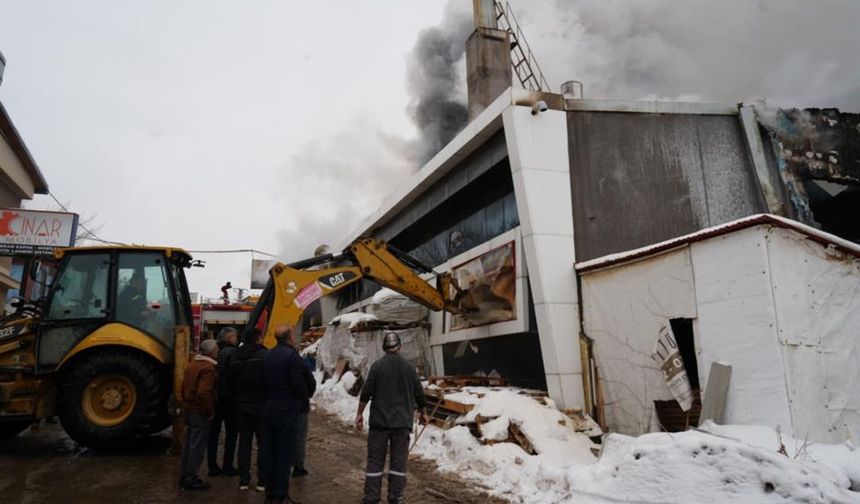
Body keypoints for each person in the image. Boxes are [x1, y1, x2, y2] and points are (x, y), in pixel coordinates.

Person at [355, 332, 427, 504]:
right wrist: (423, 412)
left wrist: (359, 413)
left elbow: (366, 392)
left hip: (379, 423)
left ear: (384, 348)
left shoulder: (377, 366)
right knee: (399, 462)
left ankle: (371, 498)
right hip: (402, 423)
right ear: (399, 346)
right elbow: (419, 393)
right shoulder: (410, 368)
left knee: (375, 462)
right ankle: (396, 497)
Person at [262, 325, 308, 504]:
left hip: (269, 409)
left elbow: (262, 381)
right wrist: (302, 398)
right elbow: (298, 384)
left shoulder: (268, 355)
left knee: (270, 452)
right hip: (287, 411)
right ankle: (281, 494)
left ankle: (270, 492)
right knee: (285, 453)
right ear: (289, 337)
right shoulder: (292, 356)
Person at [229, 327, 269, 491]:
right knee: (263, 443)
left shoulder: (235, 356)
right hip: (261, 404)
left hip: (241, 404)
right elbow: (270, 379)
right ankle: (262, 481)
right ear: (258, 338)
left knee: (244, 443)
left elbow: (229, 381)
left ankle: (244, 480)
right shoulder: (265, 355)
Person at [179, 339, 220, 491]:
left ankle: (184, 475)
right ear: (211, 352)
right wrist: (209, 411)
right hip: (200, 411)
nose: (218, 351)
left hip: (190, 409)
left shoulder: (191, 366)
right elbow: (203, 392)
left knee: (189, 444)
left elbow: (183, 388)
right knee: (197, 446)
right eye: (216, 349)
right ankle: (191, 478)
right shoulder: (208, 368)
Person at [208, 327, 239, 477]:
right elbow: (234, 375)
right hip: (229, 399)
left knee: (213, 433)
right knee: (231, 433)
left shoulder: (214, 351)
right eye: (234, 337)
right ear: (228, 338)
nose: (236, 339)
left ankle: (212, 466)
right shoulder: (232, 352)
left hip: (214, 398)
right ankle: (228, 466)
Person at [292, 336, 316, 477]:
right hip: (300, 406)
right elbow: (310, 382)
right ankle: (298, 465)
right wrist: (307, 395)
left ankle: (283, 463)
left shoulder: (273, 358)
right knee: (299, 437)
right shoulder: (300, 363)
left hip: (282, 405)